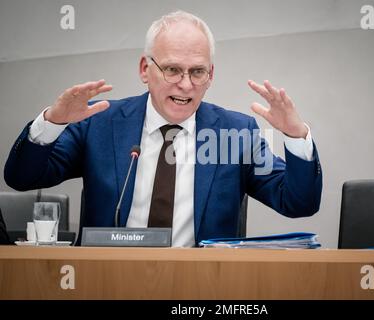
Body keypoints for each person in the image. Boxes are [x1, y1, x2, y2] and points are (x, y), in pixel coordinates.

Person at [4, 11, 322, 247]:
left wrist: (295, 136)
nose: (185, 84)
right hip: (103, 282)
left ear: (211, 75)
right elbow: (23, 178)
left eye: (197, 71)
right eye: (172, 69)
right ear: (146, 69)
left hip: (202, 289)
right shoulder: (99, 122)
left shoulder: (235, 134)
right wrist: (53, 122)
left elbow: (298, 203)